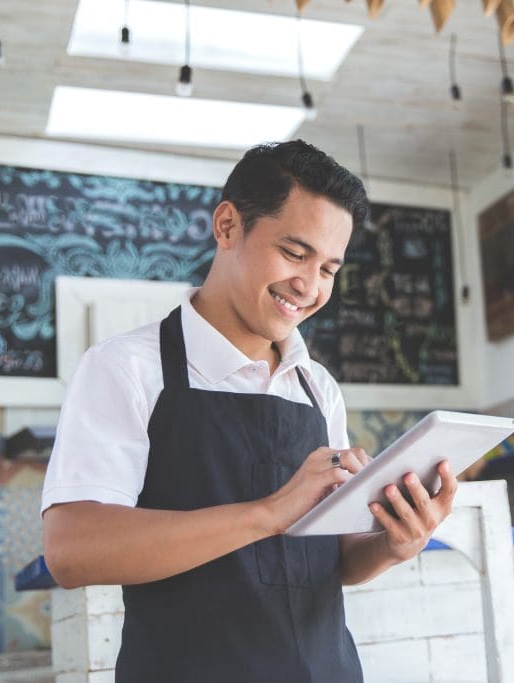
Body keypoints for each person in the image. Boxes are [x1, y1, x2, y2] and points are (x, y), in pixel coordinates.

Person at [41, 140, 460, 682]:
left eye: (329, 269)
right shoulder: (125, 369)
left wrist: (393, 545)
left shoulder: (318, 387)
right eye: (294, 252)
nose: (309, 287)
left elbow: (333, 562)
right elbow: (72, 551)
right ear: (227, 226)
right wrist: (267, 513)